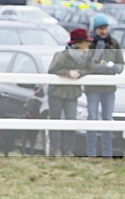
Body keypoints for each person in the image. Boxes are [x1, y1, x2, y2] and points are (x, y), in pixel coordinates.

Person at [47, 28, 93, 156]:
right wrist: (67, 73)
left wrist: (80, 73)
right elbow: (52, 70)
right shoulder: (61, 56)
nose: (89, 44)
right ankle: (55, 149)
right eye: (86, 42)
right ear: (78, 43)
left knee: (71, 120)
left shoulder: (87, 57)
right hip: (56, 92)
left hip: (73, 93)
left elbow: (90, 70)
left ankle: (69, 150)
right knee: (55, 120)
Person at [85, 14, 123, 157]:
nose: (103, 31)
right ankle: (91, 153)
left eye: (105, 28)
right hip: (92, 88)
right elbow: (88, 65)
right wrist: (104, 66)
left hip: (109, 88)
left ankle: (108, 154)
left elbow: (120, 64)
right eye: (100, 28)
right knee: (92, 118)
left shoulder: (114, 43)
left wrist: (113, 68)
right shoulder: (89, 43)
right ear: (95, 29)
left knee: (108, 120)